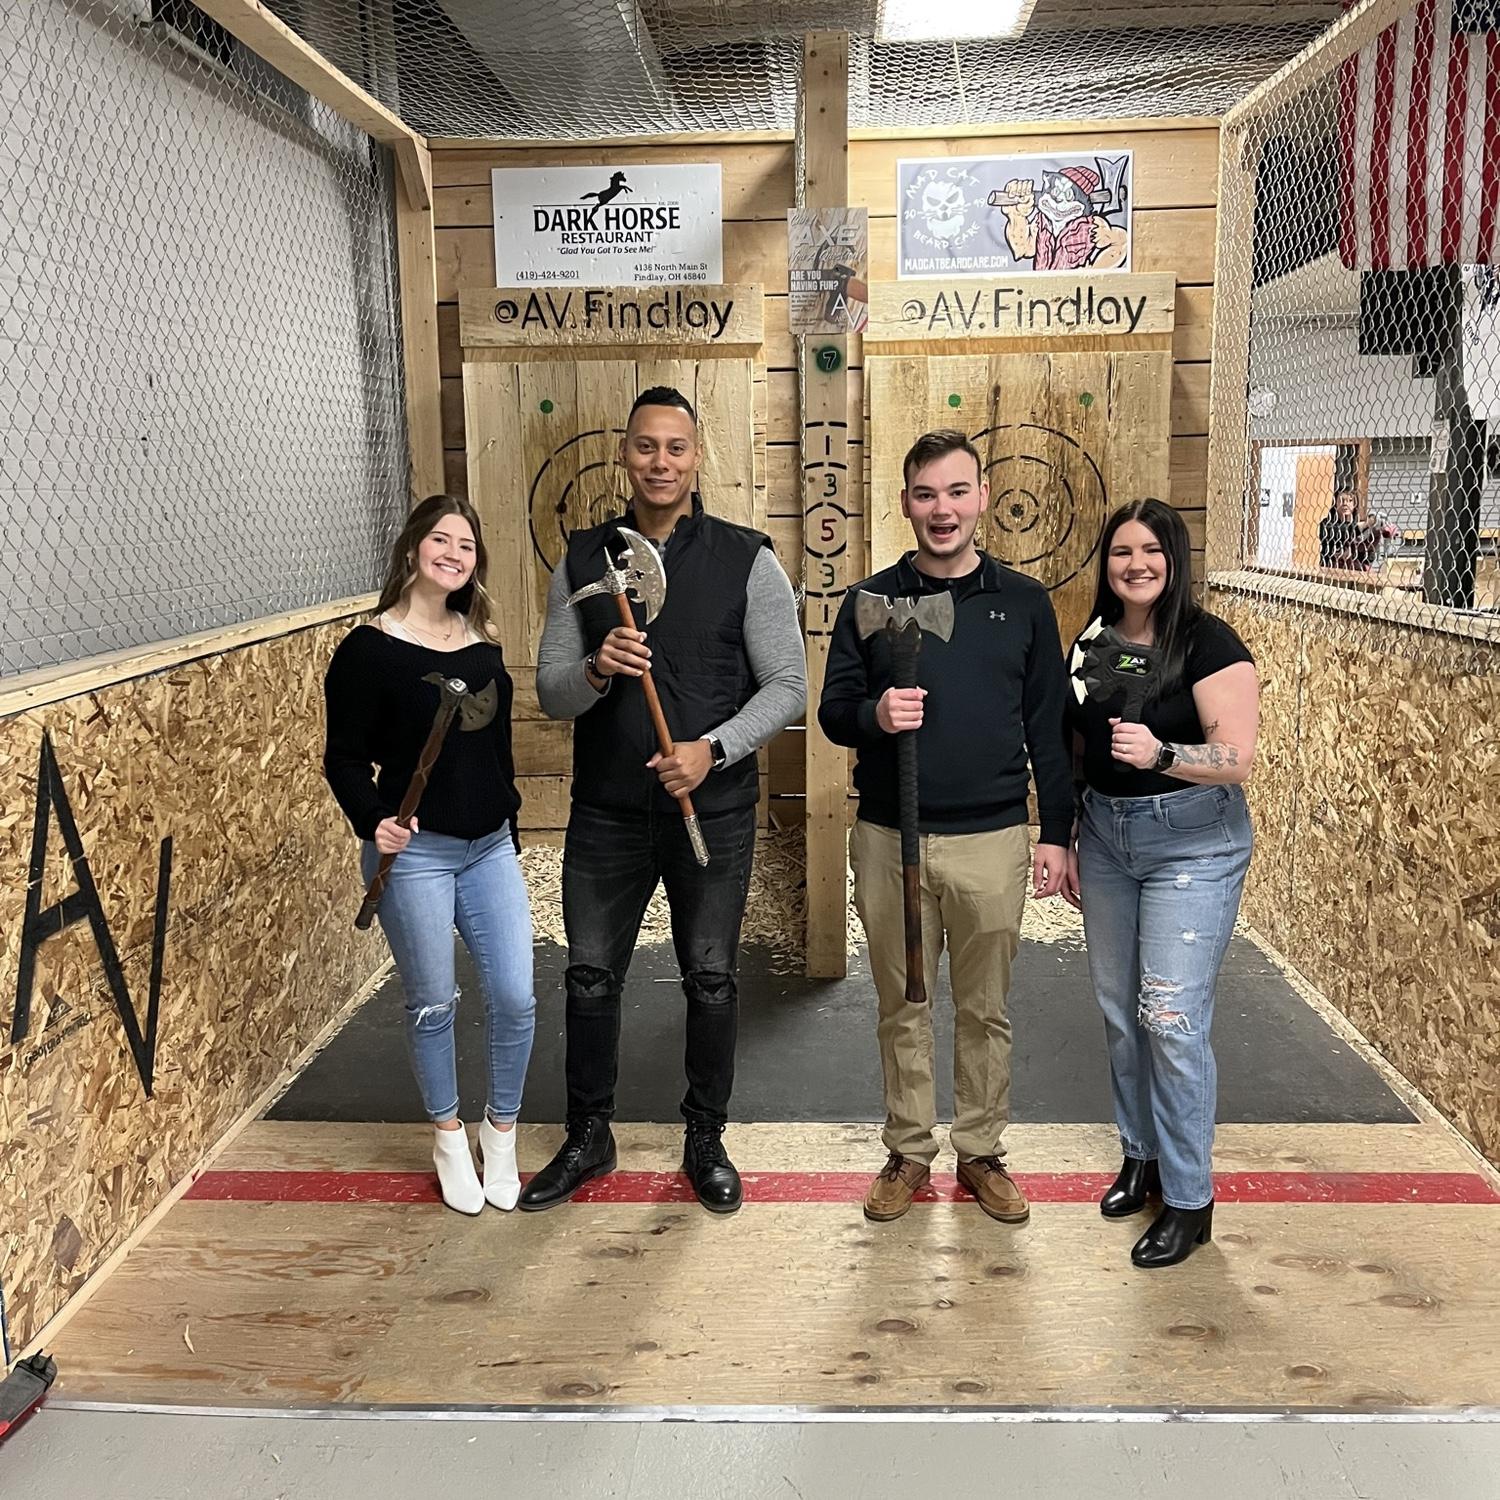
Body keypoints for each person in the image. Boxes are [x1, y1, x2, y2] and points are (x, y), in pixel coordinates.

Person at [521, 386, 805, 1215]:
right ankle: (589, 1134)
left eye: (676, 448)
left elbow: (788, 686)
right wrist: (596, 668)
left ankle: (705, 1137)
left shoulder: (747, 558)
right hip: (606, 812)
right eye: (646, 446)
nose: (660, 462)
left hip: (709, 810)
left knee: (711, 977)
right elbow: (551, 693)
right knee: (588, 977)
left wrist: (710, 750)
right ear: (625, 455)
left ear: (697, 456)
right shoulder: (585, 559)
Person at [817, 429, 1073, 1226]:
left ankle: (981, 1150)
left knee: (984, 1007)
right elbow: (832, 712)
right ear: (905, 503)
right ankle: (908, 1150)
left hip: (992, 839)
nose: (943, 509)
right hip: (889, 837)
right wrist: (875, 714)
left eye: (957, 492)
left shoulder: (1023, 604)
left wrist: (1055, 832)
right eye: (926, 494)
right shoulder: (870, 601)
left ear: (983, 497)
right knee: (902, 1003)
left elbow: (1049, 727)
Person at [323, 494, 535, 1216]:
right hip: (417, 855)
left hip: (488, 849)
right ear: (413, 548)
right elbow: (344, 759)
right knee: (433, 1003)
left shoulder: (482, 644)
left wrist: (509, 824)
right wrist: (373, 820)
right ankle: (448, 1138)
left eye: (466, 545)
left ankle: (500, 1135)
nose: (454, 554)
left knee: (515, 996)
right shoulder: (368, 650)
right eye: (442, 540)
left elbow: (496, 751)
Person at [1062, 497, 1259, 1268]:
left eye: (1151, 550)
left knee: (1170, 1019)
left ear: (1174, 560)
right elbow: (1077, 746)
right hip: (1107, 838)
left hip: (1193, 842)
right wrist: (1069, 831)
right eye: (1121, 552)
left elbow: (1236, 758)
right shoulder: (1093, 641)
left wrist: (1163, 754)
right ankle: (1140, 1157)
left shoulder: (1209, 643)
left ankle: (1188, 1199)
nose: (1135, 564)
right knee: (1121, 1012)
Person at [1318, 490, 1379, 571]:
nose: (1345, 504)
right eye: (1342, 500)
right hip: (1331, 568)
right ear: (1335, 503)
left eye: (1350, 500)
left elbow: (1369, 556)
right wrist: (1363, 525)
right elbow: (1342, 531)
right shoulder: (1327, 524)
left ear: (1354, 504)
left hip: (1353, 569)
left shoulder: (1359, 525)